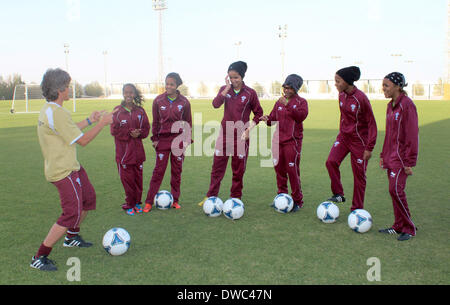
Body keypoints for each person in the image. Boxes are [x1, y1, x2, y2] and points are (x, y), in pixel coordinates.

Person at [31, 68, 115, 271]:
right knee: (71, 212)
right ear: (60, 89)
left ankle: (71, 237)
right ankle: (39, 257)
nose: (70, 90)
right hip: (63, 171)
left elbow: (67, 129)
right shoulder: (57, 112)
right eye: (68, 86)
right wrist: (102, 123)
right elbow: (84, 140)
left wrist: (90, 120)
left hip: (71, 166)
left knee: (88, 199)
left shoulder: (51, 109)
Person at [198, 61, 264, 206]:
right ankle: (211, 196)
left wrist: (248, 130)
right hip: (224, 135)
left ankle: (235, 198)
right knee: (217, 168)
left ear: (242, 77)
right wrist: (226, 88)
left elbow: (259, 114)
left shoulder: (250, 93)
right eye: (231, 77)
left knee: (238, 170)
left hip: (241, 136)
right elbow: (215, 104)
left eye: (236, 78)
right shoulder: (225, 89)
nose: (233, 81)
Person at [325, 66, 377, 211]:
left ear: (347, 82)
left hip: (359, 142)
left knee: (359, 176)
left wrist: (369, 147)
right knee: (331, 162)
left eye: (338, 81)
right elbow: (344, 117)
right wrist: (342, 132)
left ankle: (357, 209)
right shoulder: (341, 95)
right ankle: (338, 194)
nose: (335, 84)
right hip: (343, 137)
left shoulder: (361, 98)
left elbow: (372, 124)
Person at [143, 73, 192, 212]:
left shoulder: (184, 102)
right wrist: (155, 139)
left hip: (178, 140)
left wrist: (187, 139)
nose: (168, 86)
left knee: (177, 171)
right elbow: (156, 122)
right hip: (163, 140)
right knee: (158, 171)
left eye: (171, 84)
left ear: (177, 86)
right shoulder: (158, 101)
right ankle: (148, 202)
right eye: (167, 83)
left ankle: (175, 200)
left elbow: (188, 122)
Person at [378, 72, 419, 241]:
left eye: (386, 85)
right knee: (394, 191)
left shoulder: (407, 105)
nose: (383, 89)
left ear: (398, 87)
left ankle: (409, 228)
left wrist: (409, 161)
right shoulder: (390, 106)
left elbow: (412, 134)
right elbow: (389, 134)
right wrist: (383, 154)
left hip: (402, 158)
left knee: (395, 189)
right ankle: (398, 225)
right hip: (391, 156)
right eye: (383, 85)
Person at [261, 74, 308, 212]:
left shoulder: (302, 102)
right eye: (285, 87)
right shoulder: (279, 102)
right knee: (279, 171)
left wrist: (288, 105)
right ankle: (282, 197)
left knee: (292, 171)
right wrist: (266, 119)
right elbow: (273, 119)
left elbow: (300, 117)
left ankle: (298, 200)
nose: (286, 90)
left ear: (296, 89)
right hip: (277, 141)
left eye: (290, 88)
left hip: (292, 142)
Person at [111, 84, 150, 215]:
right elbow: (114, 130)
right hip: (124, 155)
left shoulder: (140, 111)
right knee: (127, 181)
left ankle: (138, 203)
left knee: (138, 180)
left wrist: (140, 133)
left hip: (138, 154)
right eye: (126, 92)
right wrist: (128, 133)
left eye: (131, 93)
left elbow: (146, 129)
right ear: (123, 94)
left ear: (134, 94)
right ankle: (130, 204)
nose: (128, 95)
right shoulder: (117, 112)